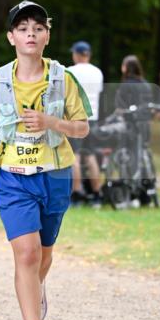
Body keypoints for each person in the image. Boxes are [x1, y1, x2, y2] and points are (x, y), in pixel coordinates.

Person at [0, 1, 90, 320]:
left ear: (47, 36)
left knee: (43, 255)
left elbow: (82, 127)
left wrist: (50, 122)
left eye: (38, 27)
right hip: (12, 176)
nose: (31, 33)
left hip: (55, 175)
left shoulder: (63, 79)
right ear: (11, 37)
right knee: (25, 254)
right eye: (22, 28)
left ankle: (36, 289)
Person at [66, 41, 104, 207]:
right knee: (90, 156)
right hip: (93, 118)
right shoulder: (98, 72)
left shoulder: (70, 71)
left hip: (76, 118)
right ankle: (96, 193)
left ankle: (77, 192)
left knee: (75, 157)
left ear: (77, 54)